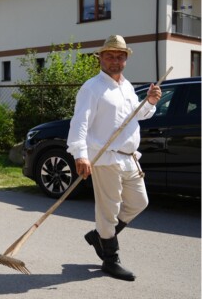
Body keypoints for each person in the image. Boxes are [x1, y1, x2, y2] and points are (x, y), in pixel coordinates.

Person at [66, 35, 162, 281]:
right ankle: (110, 258)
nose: (115, 61)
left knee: (139, 202)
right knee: (108, 211)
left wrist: (150, 102)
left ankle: (100, 235)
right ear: (100, 58)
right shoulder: (92, 87)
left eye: (120, 57)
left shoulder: (127, 87)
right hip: (105, 157)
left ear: (126, 60)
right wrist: (81, 155)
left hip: (130, 158)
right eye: (110, 56)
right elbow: (80, 123)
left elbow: (136, 116)